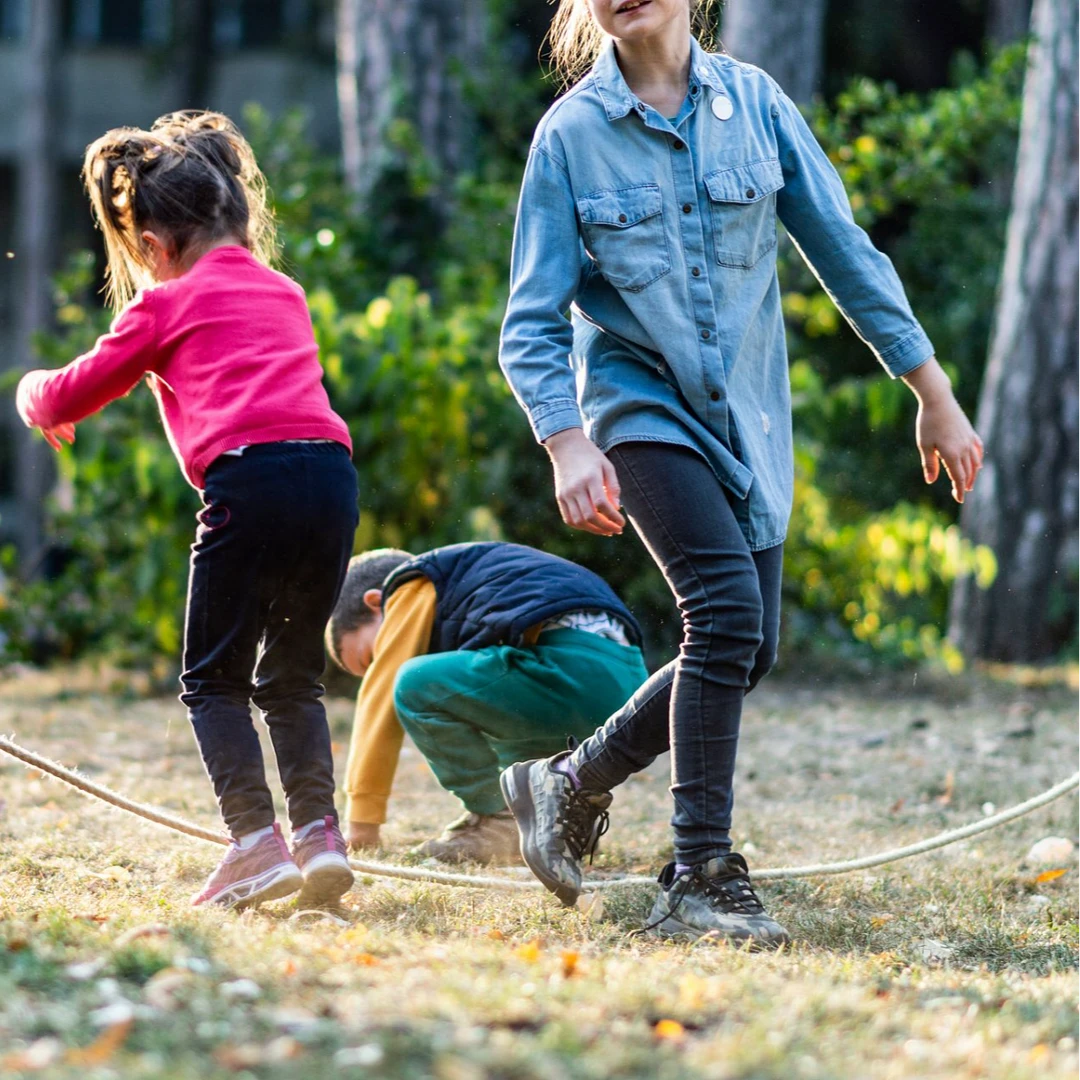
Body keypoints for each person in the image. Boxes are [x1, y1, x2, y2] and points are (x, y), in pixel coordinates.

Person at [497, 0, 984, 944]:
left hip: (749, 418)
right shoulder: (570, 139)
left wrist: (934, 391)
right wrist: (566, 441)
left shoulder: (756, 107)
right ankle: (698, 875)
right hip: (636, 413)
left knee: (745, 648)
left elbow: (846, 253)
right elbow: (531, 319)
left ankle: (569, 783)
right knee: (722, 614)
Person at [15, 111, 359, 911]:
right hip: (331, 479)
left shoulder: (163, 304)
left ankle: (252, 846)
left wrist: (34, 396)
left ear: (152, 246)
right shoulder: (284, 290)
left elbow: (69, 391)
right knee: (293, 677)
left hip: (249, 483)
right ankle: (318, 837)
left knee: (211, 680)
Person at [325, 542, 649, 865]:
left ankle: (497, 820)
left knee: (413, 681)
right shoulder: (476, 582)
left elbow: (381, 695)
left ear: (375, 603)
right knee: (504, 736)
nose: (378, 669)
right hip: (628, 685)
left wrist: (362, 821)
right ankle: (558, 825)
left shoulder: (411, 583)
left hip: (566, 665)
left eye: (371, 658)